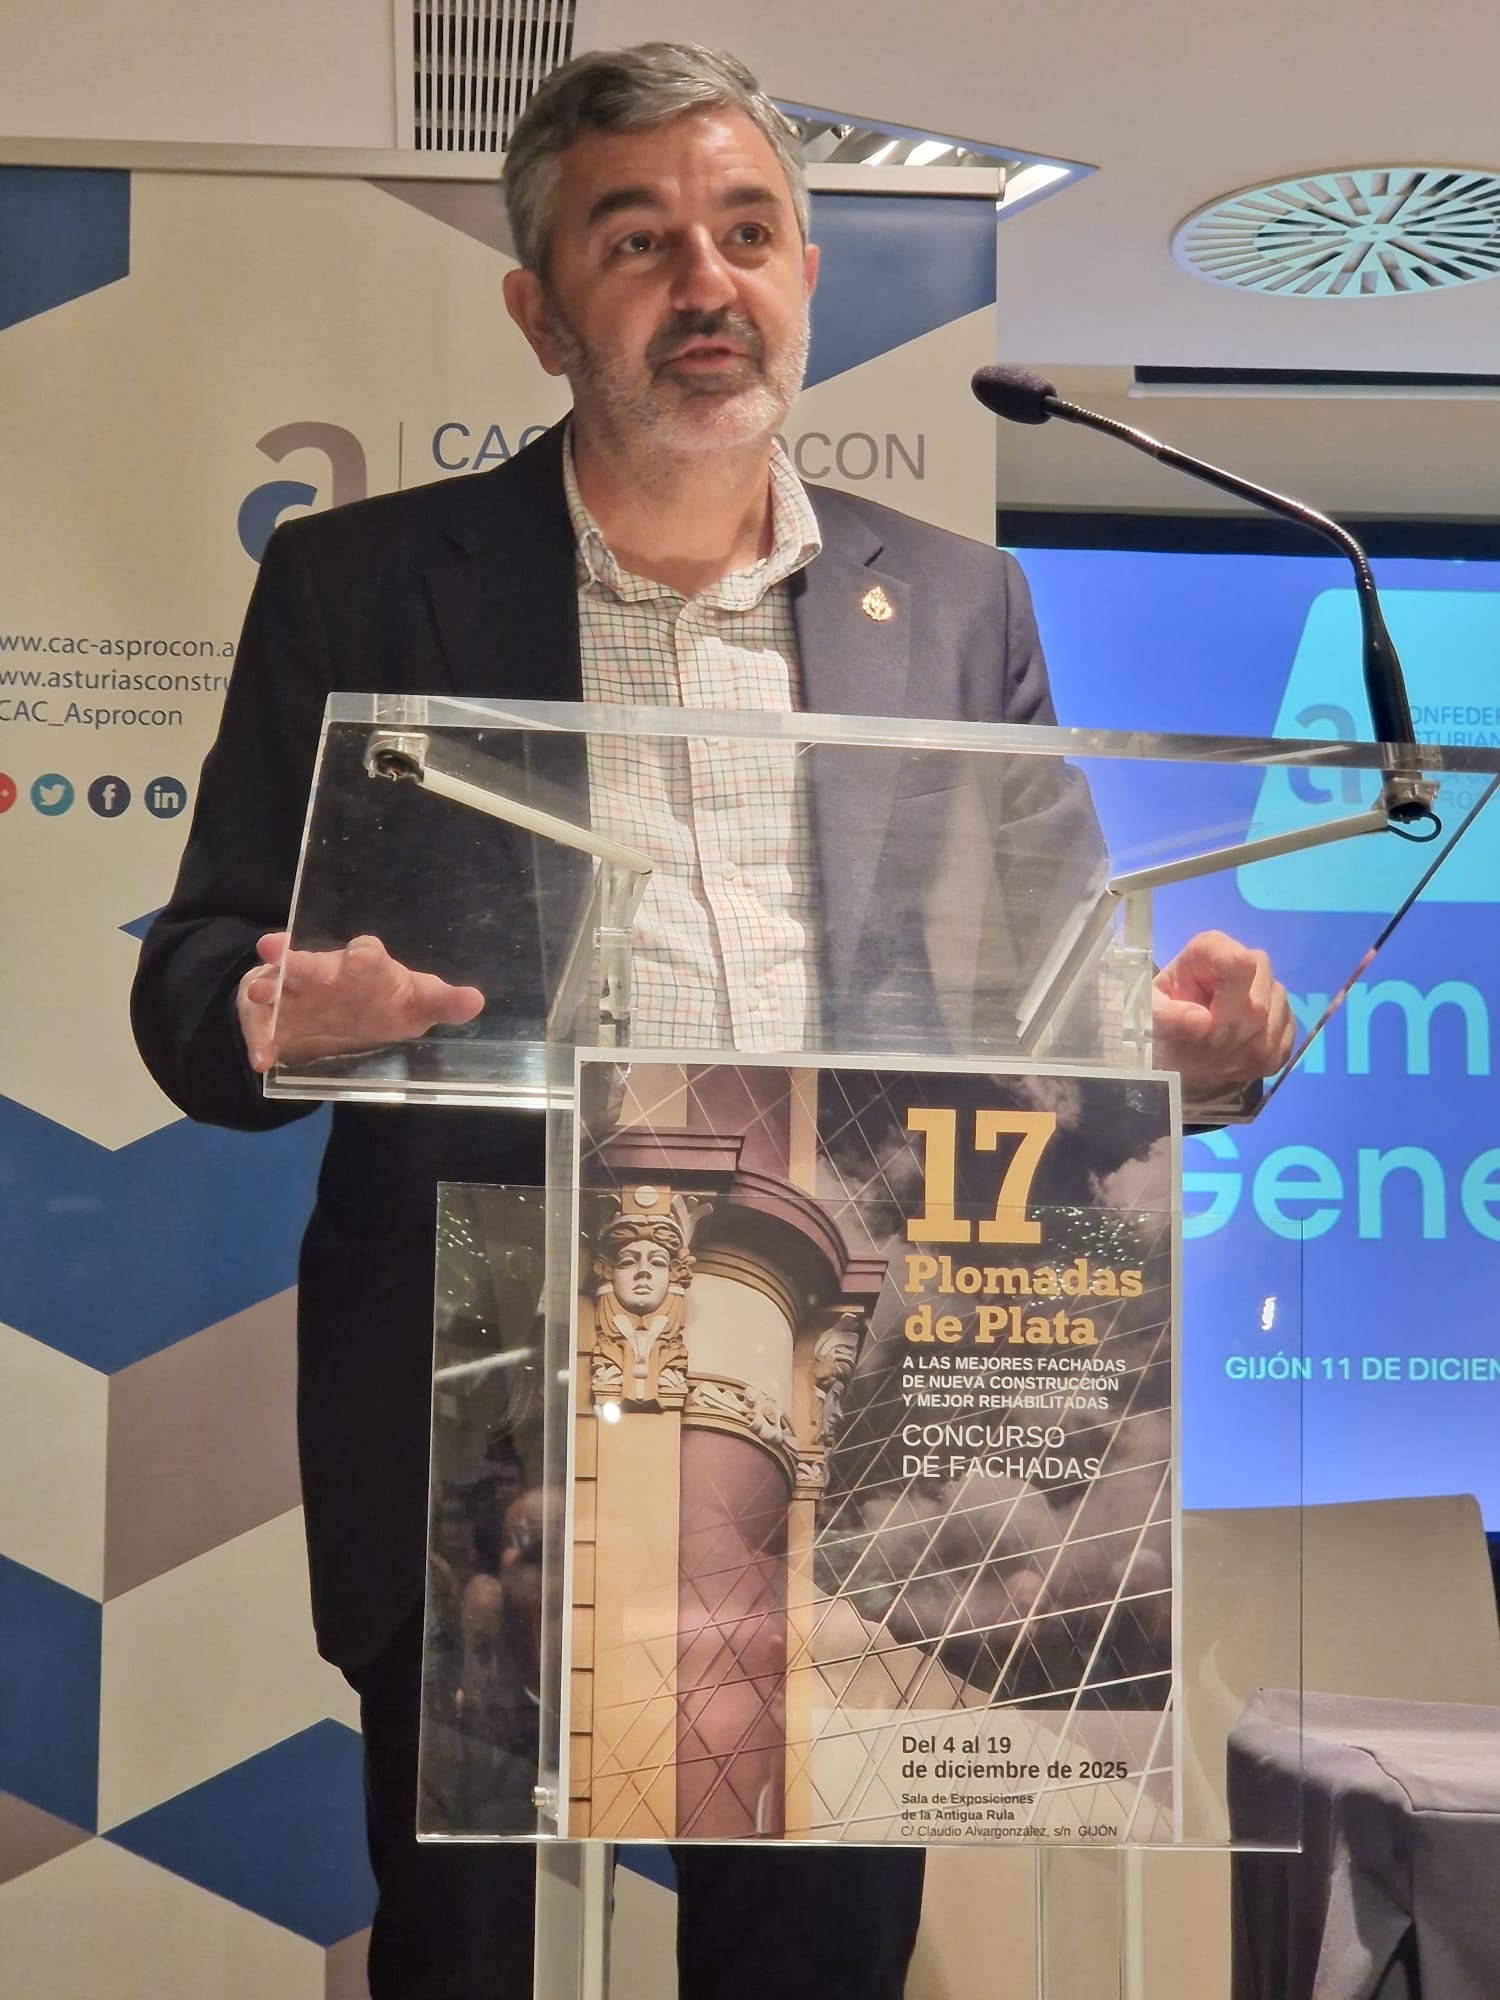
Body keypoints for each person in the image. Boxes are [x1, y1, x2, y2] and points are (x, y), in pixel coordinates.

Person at [130, 41, 1293, 2000]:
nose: (707, 281)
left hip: (866, 1391)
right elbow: (193, 971)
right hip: (492, 1399)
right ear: (538, 309)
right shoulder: (362, 586)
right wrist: (271, 1004)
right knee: (474, 1966)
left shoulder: (960, 607)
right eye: (639, 238)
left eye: (749, 233)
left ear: (808, 277)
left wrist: (1187, 1054)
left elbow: (1053, 996)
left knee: (818, 1968)